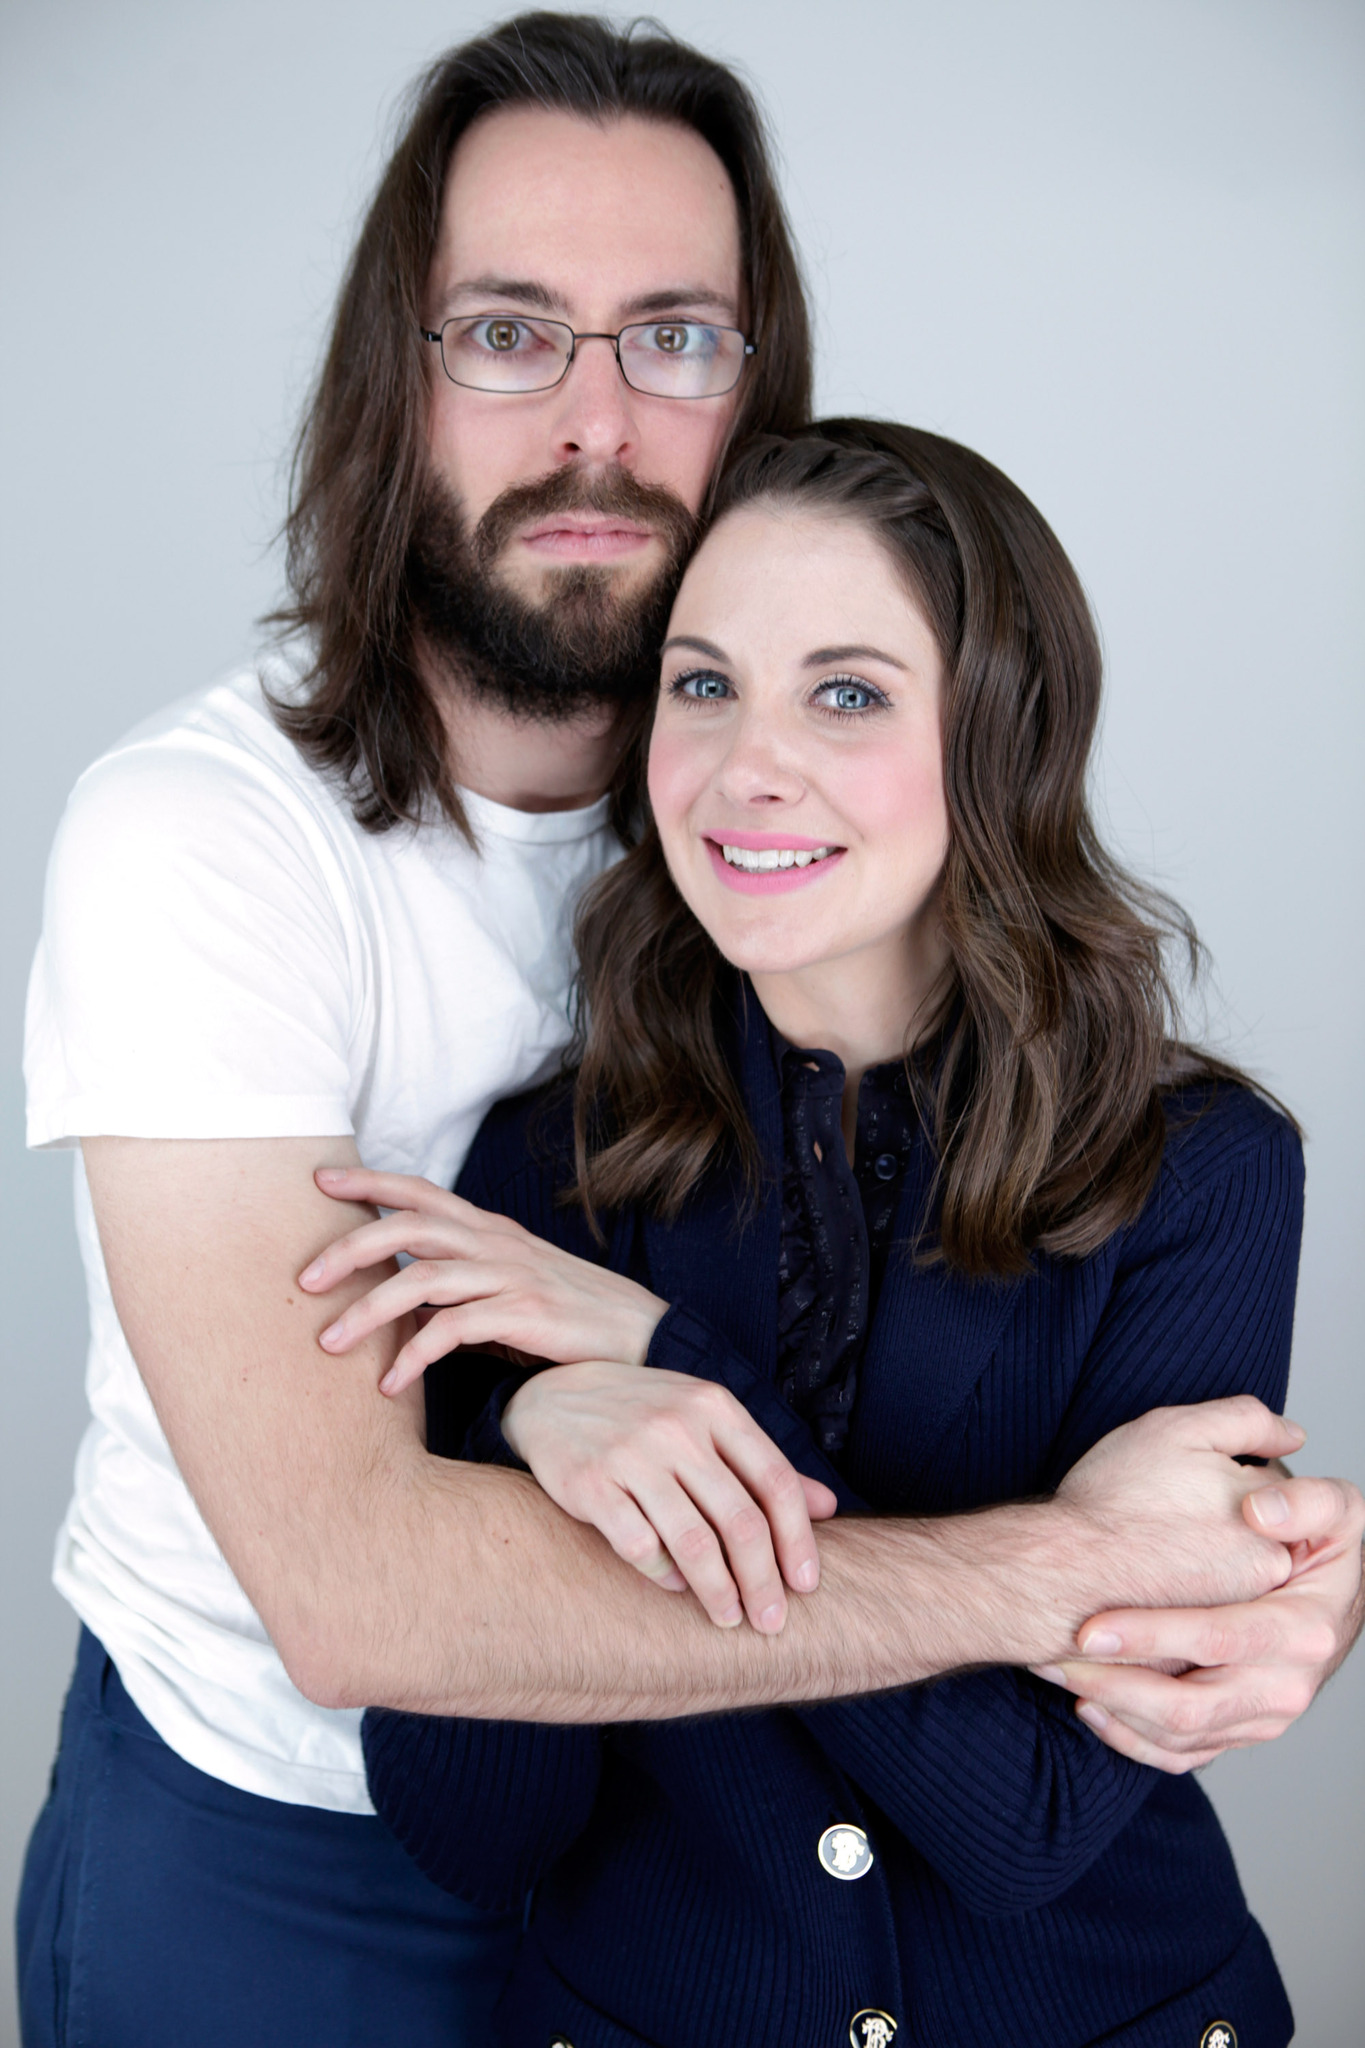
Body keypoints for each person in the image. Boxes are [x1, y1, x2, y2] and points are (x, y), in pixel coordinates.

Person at [16, 13, 1362, 2048]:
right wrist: (1071, 1576)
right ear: (400, 376)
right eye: (502, 330)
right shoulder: (205, 843)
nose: (589, 416)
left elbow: (1063, 1759)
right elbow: (370, 1606)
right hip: (280, 1830)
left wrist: (1275, 1583)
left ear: (758, 387)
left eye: (669, 334)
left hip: (693, 1904)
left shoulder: (803, 895)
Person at [316, 419, 1321, 2043]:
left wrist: (666, 1369)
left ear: (997, 735)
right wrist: (521, 1433)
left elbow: (1029, 1827)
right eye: (702, 684)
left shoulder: (1195, 1171)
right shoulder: (534, 1175)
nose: (743, 765)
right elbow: (475, 1831)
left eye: (844, 694)